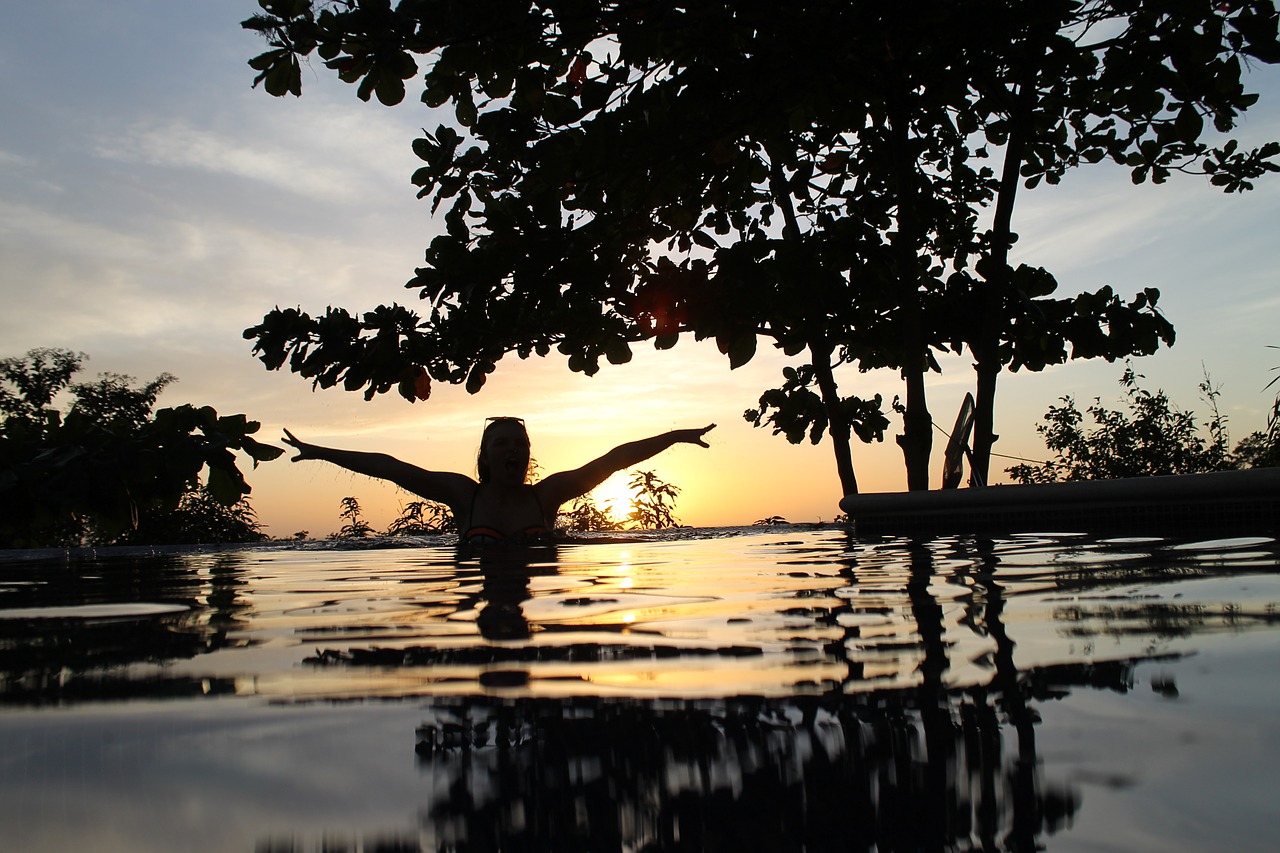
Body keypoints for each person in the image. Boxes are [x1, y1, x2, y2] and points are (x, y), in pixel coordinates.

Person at [281, 418, 716, 545]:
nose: (514, 450)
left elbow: (614, 460)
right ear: (485, 456)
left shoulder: (547, 496)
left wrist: (675, 435)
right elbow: (391, 466)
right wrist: (320, 451)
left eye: (520, 443)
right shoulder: (464, 495)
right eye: (502, 443)